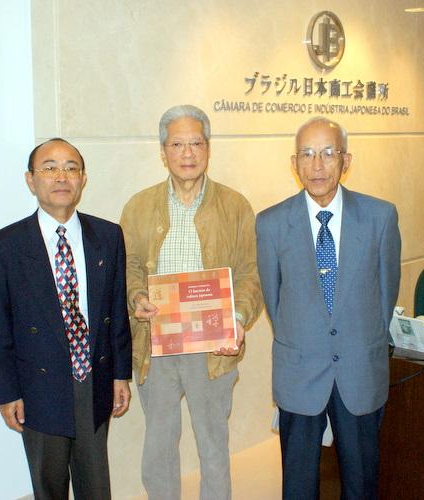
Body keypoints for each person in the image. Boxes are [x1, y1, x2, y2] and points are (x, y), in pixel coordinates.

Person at [120, 104, 262, 500]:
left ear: (208, 148)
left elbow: (251, 272)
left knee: (213, 445)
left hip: (212, 347)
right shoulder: (138, 206)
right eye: (177, 144)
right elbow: (128, 264)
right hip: (156, 341)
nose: (187, 153)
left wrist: (236, 318)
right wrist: (137, 296)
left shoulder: (235, 206)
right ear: (162, 151)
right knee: (159, 445)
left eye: (196, 143)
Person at [256, 117, 401, 500]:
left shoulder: (380, 217)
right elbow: (275, 300)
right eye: (306, 154)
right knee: (299, 486)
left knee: (361, 484)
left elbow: (385, 298)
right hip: (299, 371)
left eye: (327, 153)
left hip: (360, 371)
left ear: (346, 160)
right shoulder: (271, 223)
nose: (317, 165)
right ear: (294, 163)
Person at [0, 138, 132, 500]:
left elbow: (116, 311)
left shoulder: (108, 235)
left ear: (83, 179)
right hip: (38, 385)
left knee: (96, 485)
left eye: (70, 168)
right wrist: (7, 393)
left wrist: (120, 375)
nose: (61, 176)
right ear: (31, 180)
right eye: (49, 168)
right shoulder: (4, 246)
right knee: (48, 485)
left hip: (92, 377)